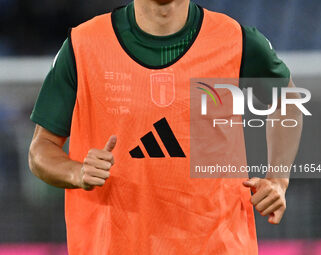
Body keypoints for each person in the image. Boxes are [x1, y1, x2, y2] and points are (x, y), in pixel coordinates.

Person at [28, 0, 302, 254]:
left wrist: (278, 179)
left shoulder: (237, 40)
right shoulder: (83, 45)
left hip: (219, 246)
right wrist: (77, 172)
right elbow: (41, 150)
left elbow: (288, 101)